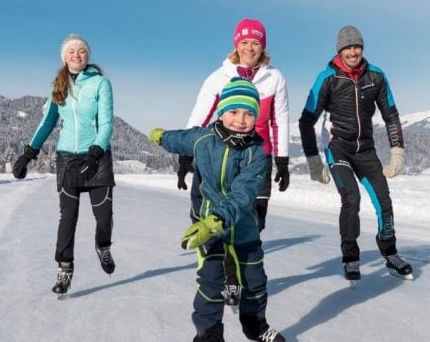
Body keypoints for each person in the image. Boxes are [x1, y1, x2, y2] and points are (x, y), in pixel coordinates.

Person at [149, 78, 286, 342]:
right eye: (233, 111)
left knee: (255, 281)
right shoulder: (203, 139)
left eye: (248, 113)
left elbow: (243, 193)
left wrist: (217, 219)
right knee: (210, 282)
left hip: (243, 226)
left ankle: (255, 325)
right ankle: (208, 334)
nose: (240, 119)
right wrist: (161, 137)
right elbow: (180, 139)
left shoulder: (257, 152)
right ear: (221, 112)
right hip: (207, 224)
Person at [180, 18, 290, 305]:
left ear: (263, 46)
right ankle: (231, 279)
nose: (250, 48)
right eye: (244, 42)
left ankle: (241, 268)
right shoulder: (218, 77)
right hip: (221, 160)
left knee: (254, 221)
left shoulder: (274, 77)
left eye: (255, 42)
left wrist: (282, 159)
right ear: (236, 44)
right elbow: (200, 117)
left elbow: (280, 120)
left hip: (257, 158)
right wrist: (185, 157)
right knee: (224, 218)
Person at [297, 25, 413, 281]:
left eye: (357, 46)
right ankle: (351, 257)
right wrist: (313, 159)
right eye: (348, 47)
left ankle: (390, 253)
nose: (353, 52)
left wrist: (397, 151)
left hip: (366, 149)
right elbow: (306, 120)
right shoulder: (327, 78)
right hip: (338, 148)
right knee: (351, 199)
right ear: (340, 50)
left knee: (384, 200)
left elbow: (390, 114)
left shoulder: (376, 76)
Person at [13, 33, 116, 295]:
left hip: (97, 156)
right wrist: (28, 154)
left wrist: (95, 152)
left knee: (103, 218)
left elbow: (106, 123)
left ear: (88, 55)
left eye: (81, 51)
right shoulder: (58, 85)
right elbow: (47, 122)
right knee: (67, 217)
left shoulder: (101, 83)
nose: (76, 55)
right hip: (68, 157)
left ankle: (103, 246)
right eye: (71, 51)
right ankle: (64, 269)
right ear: (64, 56)